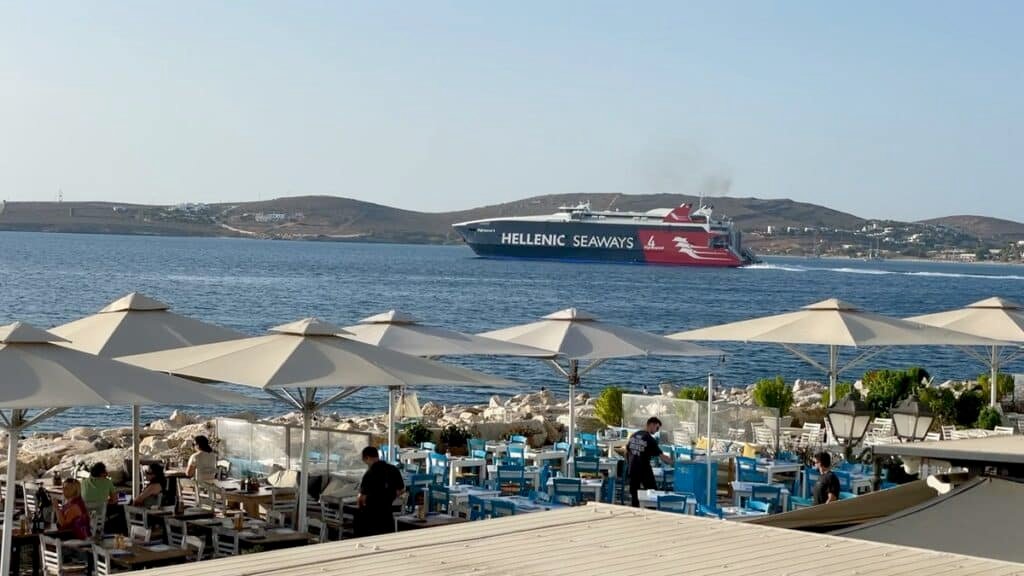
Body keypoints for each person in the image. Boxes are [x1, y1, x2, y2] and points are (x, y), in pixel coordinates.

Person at [355, 446, 405, 537]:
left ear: (368, 458)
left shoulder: (369, 474)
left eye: (365, 461)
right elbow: (401, 489)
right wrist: (390, 496)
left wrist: (360, 505)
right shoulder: (393, 469)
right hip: (387, 514)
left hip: (371, 517)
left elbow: (362, 498)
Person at [626, 417, 673, 507]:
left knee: (634, 495)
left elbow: (627, 451)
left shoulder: (634, 435)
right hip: (644, 470)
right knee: (653, 493)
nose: (657, 430)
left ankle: (635, 514)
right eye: (657, 428)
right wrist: (675, 463)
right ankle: (652, 513)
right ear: (652, 424)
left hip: (632, 468)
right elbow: (663, 458)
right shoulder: (650, 440)